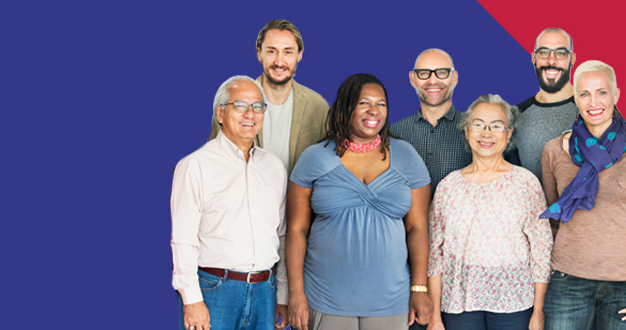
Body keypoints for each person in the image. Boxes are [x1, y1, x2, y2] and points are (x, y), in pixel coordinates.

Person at [286, 73, 433, 330]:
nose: (373, 111)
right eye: (364, 102)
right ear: (346, 106)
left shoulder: (406, 156)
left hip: (391, 300)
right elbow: (297, 230)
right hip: (324, 298)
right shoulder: (314, 158)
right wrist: (296, 294)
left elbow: (418, 228)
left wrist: (419, 289)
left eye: (381, 104)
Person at [539, 60, 626, 330]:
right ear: (575, 97)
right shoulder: (553, 150)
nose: (593, 102)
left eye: (602, 92)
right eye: (584, 94)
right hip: (567, 280)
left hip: (625, 282)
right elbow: (551, 221)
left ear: (616, 94)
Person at [425, 94, 552, 330]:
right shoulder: (448, 187)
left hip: (515, 305)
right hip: (458, 305)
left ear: (509, 133)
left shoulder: (526, 183)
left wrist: (538, 312)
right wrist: (435, 316)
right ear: (466, 131)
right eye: (478, 124)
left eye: (496, 126)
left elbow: (542, 252)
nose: (486, 133)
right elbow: (435, 257)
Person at [172, 76, 289, 330]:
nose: (251, 114)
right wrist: (192, 301)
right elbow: (183, 239)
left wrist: (282, 295)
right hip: (215, 291)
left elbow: (281, 235)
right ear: (220, 113)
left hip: (265, 292)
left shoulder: (275, 167)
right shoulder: (195, 166)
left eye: (258, 106)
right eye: (241, 105)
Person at [208, 19, 330, 173]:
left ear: (299, 55)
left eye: (288, 52)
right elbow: (212, 162)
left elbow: (326, 167)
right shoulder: (231, 101)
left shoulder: (318, 106)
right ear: (259, 53)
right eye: (271, 51)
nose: (279, 62)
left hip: (297, 197)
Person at [392, 49, 471, 195]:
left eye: (441, 72)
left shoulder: (475, 131)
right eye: (424, 73)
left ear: (454, 77)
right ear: (412, 78)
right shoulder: (394, 133)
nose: (433, 81)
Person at [505, 28, 580, 181]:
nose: (551, 60)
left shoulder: (594, 109)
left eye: (560, 53)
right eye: (544, 52)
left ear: (572, 59)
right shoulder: (515, 114)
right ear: (534, 58)